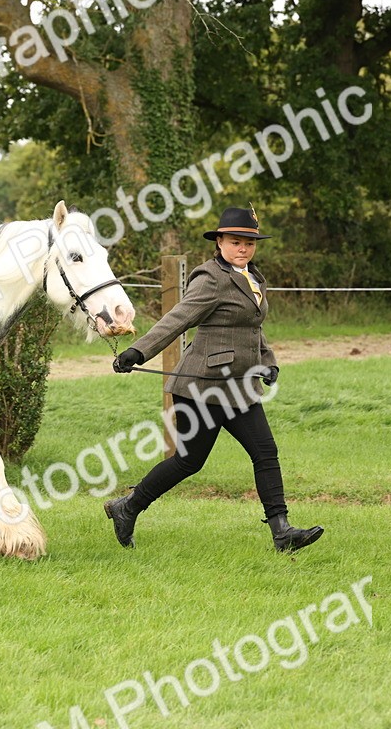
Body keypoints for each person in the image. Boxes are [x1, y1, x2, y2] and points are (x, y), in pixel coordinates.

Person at [105, 206, 323, 552]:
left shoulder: (253, 277)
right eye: (235, 242)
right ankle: (126, 507)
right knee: (189, 461)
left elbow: (252, 328)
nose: (243, 249)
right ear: (219, 241)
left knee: (265, 451)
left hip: (240, 387)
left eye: (249, 243)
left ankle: (283, 533)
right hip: (201, 388)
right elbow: (177, 319)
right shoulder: (211, 278)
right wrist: (139, 351)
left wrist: (269, 361)